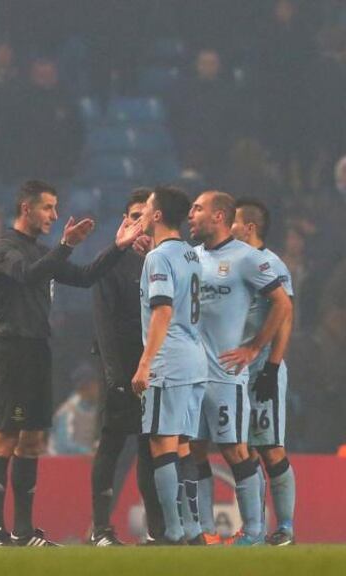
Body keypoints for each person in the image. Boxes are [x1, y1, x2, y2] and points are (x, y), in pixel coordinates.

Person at [0, 179, 143, 547]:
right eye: (48, 208)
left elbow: (85, 278)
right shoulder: (5, 249)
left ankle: (23, 531)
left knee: (33, 440)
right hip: (12, 351)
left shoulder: (40, 249)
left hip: (38, 349)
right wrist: (66, 245)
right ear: (26, 209)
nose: (55, 215)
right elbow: (29, 274)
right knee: (5, 437)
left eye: (55, 208)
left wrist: (117, 248)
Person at [187, 190, 293, 545]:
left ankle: (255, 531)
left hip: (227, 374)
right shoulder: (192, 256)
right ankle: (205, 530)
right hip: (193, 374)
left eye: (198, 209)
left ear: (220, 216)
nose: (192, 214)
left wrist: (255, 348)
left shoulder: (249, 258)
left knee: (237, 449)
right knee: (196, 448)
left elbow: (282, 306)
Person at [86, 189, 164, 546]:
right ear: (124, 221)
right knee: (112, 446)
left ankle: (157, 530)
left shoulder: (165, 260)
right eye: (133, 216)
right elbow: (102, 321)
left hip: (157, 369)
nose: (139, 223)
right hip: (120, 369)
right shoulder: (112, 262)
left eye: (144, 216)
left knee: (152, 449)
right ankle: (100, 528)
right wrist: (114, 374)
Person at [130, 186, 206, 546]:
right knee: (184, 445)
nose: (142, 212)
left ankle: (172, 530)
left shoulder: (157, 259)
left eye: (146, 207)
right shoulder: (191, 254)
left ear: (158, 215)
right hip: (195, 358)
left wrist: (145, 364)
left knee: (162, 445)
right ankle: (192, 527)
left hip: (169, 359)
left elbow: (162, 310)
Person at [231, 198, 297, 546]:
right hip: (234, 369)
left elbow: (285, 316)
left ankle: (285, 527)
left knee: (270, 446)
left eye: (234, 221)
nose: (228, 226)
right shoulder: (233, 261)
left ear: (249, 227)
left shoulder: (272, 264)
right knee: (241, 448)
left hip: (261, 369)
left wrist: (271, 365)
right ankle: (253, 530)